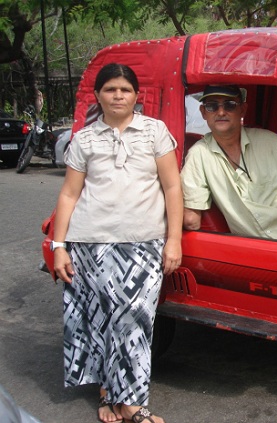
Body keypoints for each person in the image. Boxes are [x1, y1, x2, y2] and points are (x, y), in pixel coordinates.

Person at [52, 63, 182, 423]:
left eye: (125, 89)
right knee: (99, 321)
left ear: (136, 95)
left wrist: (174, 240)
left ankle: (132, 401)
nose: (118, 95)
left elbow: (172, 188)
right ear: (98, 96)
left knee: (134, 321)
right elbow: (68, 194)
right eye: (110, 89)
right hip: (89, 244)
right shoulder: (84, 139)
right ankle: (110, 395)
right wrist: (58, 245)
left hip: (143, 244)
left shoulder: (155, 132)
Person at [180, 84, 277, 241]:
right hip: (268, 252)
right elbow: (191, 220)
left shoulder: (267, 141)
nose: (221, 112)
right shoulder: (198, 155)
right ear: (203, 112)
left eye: (230, 105)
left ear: (243, 109)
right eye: (212, 106)